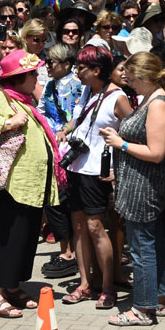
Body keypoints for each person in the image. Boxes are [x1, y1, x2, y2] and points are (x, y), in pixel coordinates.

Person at [0, 49, 60, 319]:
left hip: (29, 186)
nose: (36, 78)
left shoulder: (24, 100)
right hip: (10, 186)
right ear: (18, 78)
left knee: (25, 239)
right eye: (31, 74)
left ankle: (11, 286)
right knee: (7, 240)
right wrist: (8, 122)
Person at [99, 52, 165, 326]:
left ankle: (143, 309)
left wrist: (118, 142)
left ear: (144, 75)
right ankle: (160, 297)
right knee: (152, 241)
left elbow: (156, 152)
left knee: (141, 246)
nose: (127, 79)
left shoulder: (157, 103)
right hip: (138, 183)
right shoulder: (150, 99)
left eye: (130, 74)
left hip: (145, 186)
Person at [58, 45, 131, 309]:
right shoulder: (88, 92)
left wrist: (118, 166)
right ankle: (85, 284)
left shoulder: (117, 97)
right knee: (78, 227)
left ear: (97, 70)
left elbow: (134, 131)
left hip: (98, 172)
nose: (77, 70)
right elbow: (79, 122)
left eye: (82, 67)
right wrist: (65, 130)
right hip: (77, 168)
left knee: (95, 227)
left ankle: (109, 287)